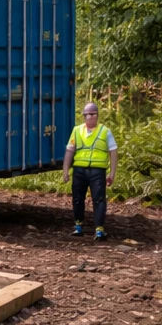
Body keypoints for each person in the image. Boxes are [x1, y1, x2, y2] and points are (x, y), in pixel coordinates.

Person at [62, 102, 117, 241]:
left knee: (98, 199)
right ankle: (78, 226)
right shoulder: (77, 130)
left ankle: (99, 229)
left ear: (97, 115)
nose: (89, 118)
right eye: (86, 115)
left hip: (97, 171)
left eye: (92, 114)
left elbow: (113, 151)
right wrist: (65, 170)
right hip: (79, 170)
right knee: (77, 198)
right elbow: (70, 150)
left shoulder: (105, 131)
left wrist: (112, 173)